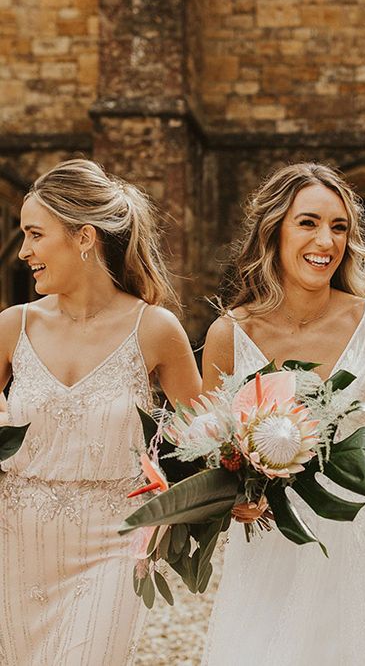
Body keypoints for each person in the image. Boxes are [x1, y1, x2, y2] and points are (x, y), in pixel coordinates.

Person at [201, 162, 365, 665]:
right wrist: (230, 498)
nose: (325, 240)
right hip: (269, 543)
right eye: (308, 222)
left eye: (339, 226)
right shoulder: (228, 335)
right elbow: (208, 452)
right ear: (274, 229)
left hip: (361, 538)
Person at [0, 159, 201, 665]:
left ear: (83, 237)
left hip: (113, 545)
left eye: (34, 234)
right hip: (15, 545)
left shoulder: (155, 329)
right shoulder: (12, 327)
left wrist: (236, 490)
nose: (23, 251)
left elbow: (204, 442)